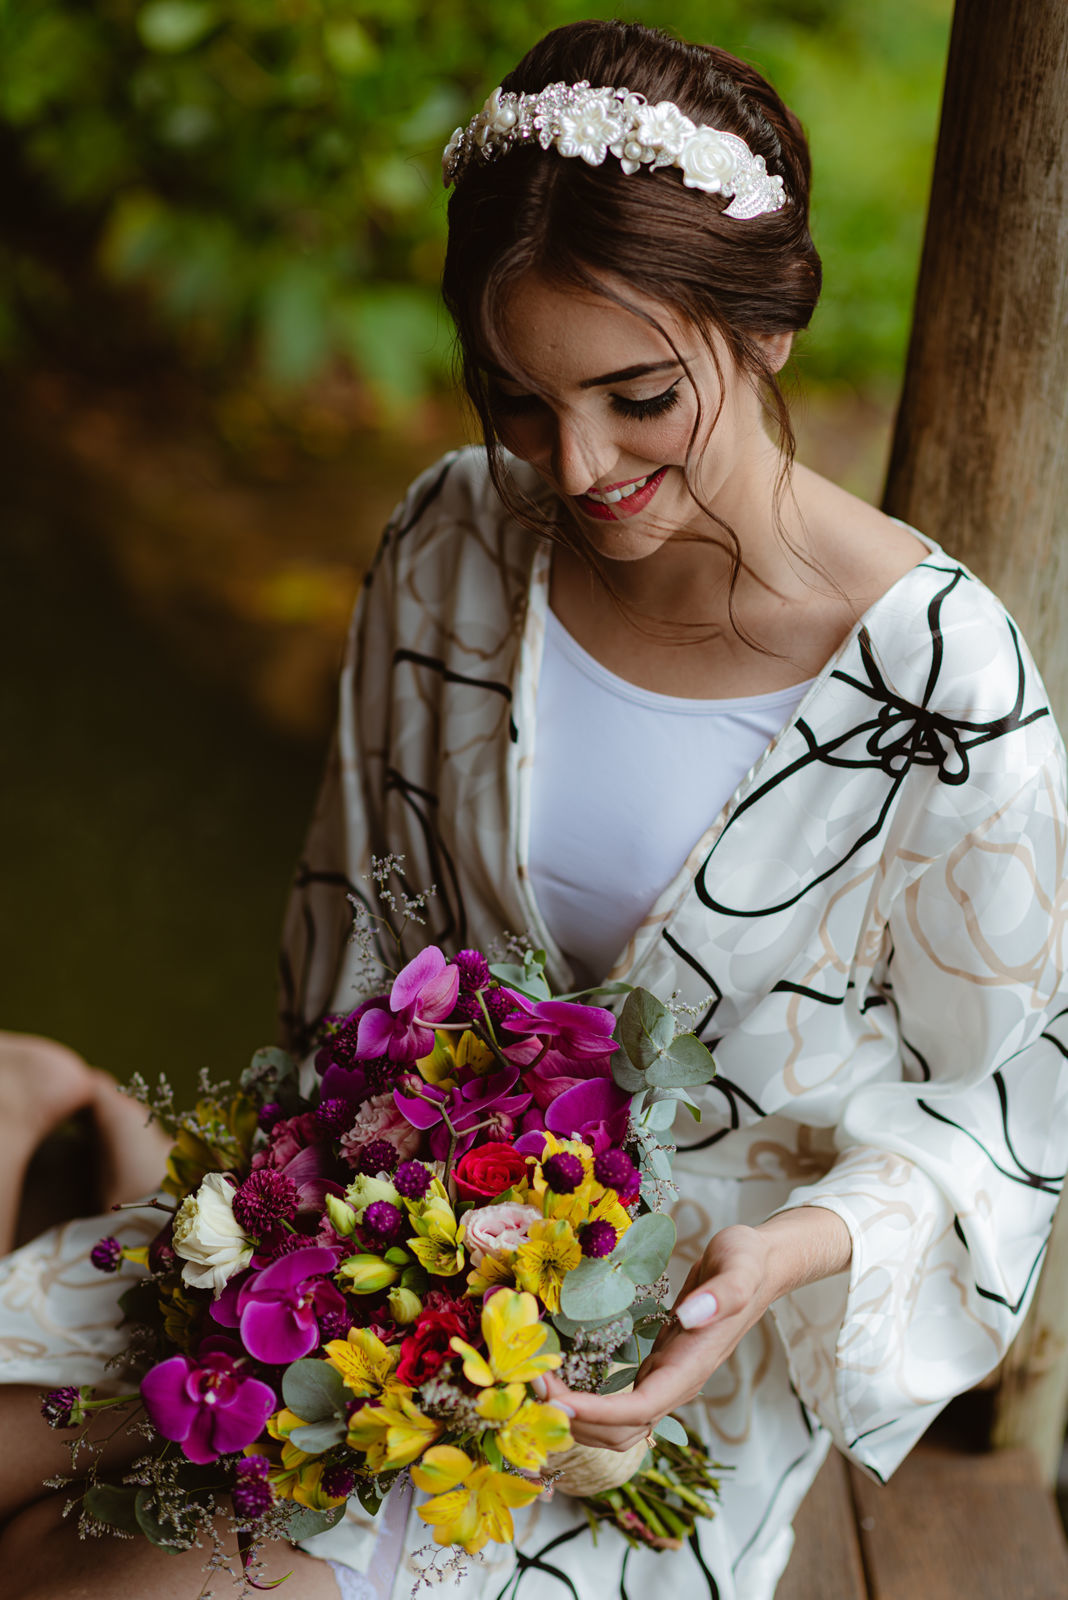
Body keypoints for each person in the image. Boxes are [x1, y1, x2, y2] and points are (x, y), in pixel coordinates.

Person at [1, 17, 1066, 1600]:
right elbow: (350, 941)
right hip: (350, 1236)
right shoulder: (452, 539)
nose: (576, 467)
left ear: (768, 326)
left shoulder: (940, 681)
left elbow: (1005, 1113)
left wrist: (777, 1259)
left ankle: (72, 1119)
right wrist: (321, 1226)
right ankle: (88, 1128)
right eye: (517, 400)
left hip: (640, 1372)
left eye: (639, 397)